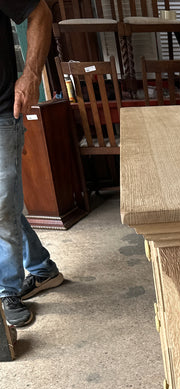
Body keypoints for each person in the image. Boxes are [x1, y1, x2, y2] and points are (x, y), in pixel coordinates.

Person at [0, 0, 63, 328]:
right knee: (4, 205)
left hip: (1, 113)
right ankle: (42, 268)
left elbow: (40, 12)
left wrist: (31, 73)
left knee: (2, 206)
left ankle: (6, 289)